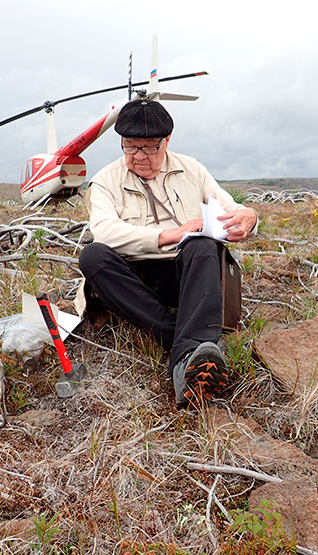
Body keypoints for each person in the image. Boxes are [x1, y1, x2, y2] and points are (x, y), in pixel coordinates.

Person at [76, 99, 258, 405]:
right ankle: (188, 347)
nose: (139, 157)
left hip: (184, 276)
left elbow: (231, 209)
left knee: (204, 244)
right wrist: (168, 235)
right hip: (132, 280)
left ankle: (183, 357)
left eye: (148, 148)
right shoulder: (106, 180)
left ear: (167, 141)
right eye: (130, 147)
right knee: (92, 256)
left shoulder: (192, 169)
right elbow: (104, 231)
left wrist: (249, 217)